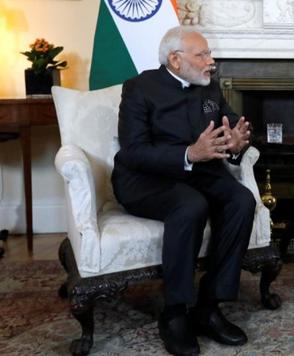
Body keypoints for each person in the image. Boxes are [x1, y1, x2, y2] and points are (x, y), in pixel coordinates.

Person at [111, 26, 255, 356]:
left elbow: (233, 128)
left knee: (241, 200)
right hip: (144, 179)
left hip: (199, 172)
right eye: (203, 54)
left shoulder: (209, 88)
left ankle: (209, 305)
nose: (211, 61)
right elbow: (133, 150)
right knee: (190, 205)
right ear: (176, 60)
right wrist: (189, 154)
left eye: (209, 54)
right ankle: (175, 312)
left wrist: (236, 142)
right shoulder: (139, 88)